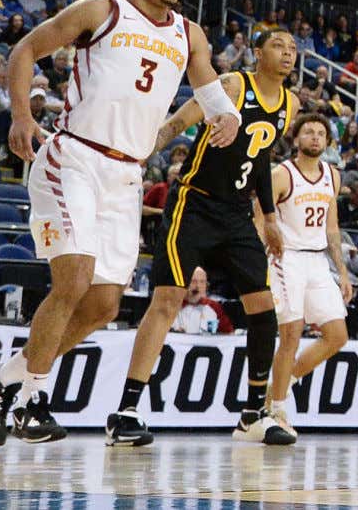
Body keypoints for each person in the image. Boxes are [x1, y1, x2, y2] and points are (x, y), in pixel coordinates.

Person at [0, 0, 241, 445]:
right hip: (75, 156)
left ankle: (4, 379)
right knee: (73, 278)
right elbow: (25, 49)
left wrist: (225, 115)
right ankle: (31, 400)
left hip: (127, 175)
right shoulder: (101, 10)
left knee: (102, 306)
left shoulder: (188, 33)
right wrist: (22, 115)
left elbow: (209, 87)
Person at [107, 28, 299, 447]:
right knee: (167, 299)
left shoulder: (291, 103)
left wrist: (269, 217)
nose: (288, 53)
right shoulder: (232, 85)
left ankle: (252, 415)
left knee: (264, 310)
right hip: (194, 203)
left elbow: (261, 160)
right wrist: (140, 155)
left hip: (236, 214)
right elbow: (178, 122)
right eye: (278, 46)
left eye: (293, 48)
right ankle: (125, 412)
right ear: (257, 52)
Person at [264, 111, 354, 442]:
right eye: (309, 132)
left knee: (337, 335)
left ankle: (279, 386)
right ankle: (277, 410)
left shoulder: (333, 175)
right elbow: (261, 217)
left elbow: (332, 227)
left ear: (327, 141)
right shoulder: (281, 174)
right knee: (291, 334)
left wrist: (342, 270)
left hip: (318, 261)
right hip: (286, 259)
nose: (315, 137)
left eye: (320, 133)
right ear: (296, 138)